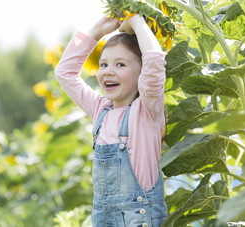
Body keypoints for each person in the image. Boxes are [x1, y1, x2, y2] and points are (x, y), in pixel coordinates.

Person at [54, 13, 167, 227]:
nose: (108, 71)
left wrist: (136, 21)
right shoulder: (100, 110)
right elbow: (65, 72)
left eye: (120, 65)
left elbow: (154, 61)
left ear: (142, 73)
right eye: (104, 65)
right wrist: (97, 32)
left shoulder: (147, 111)